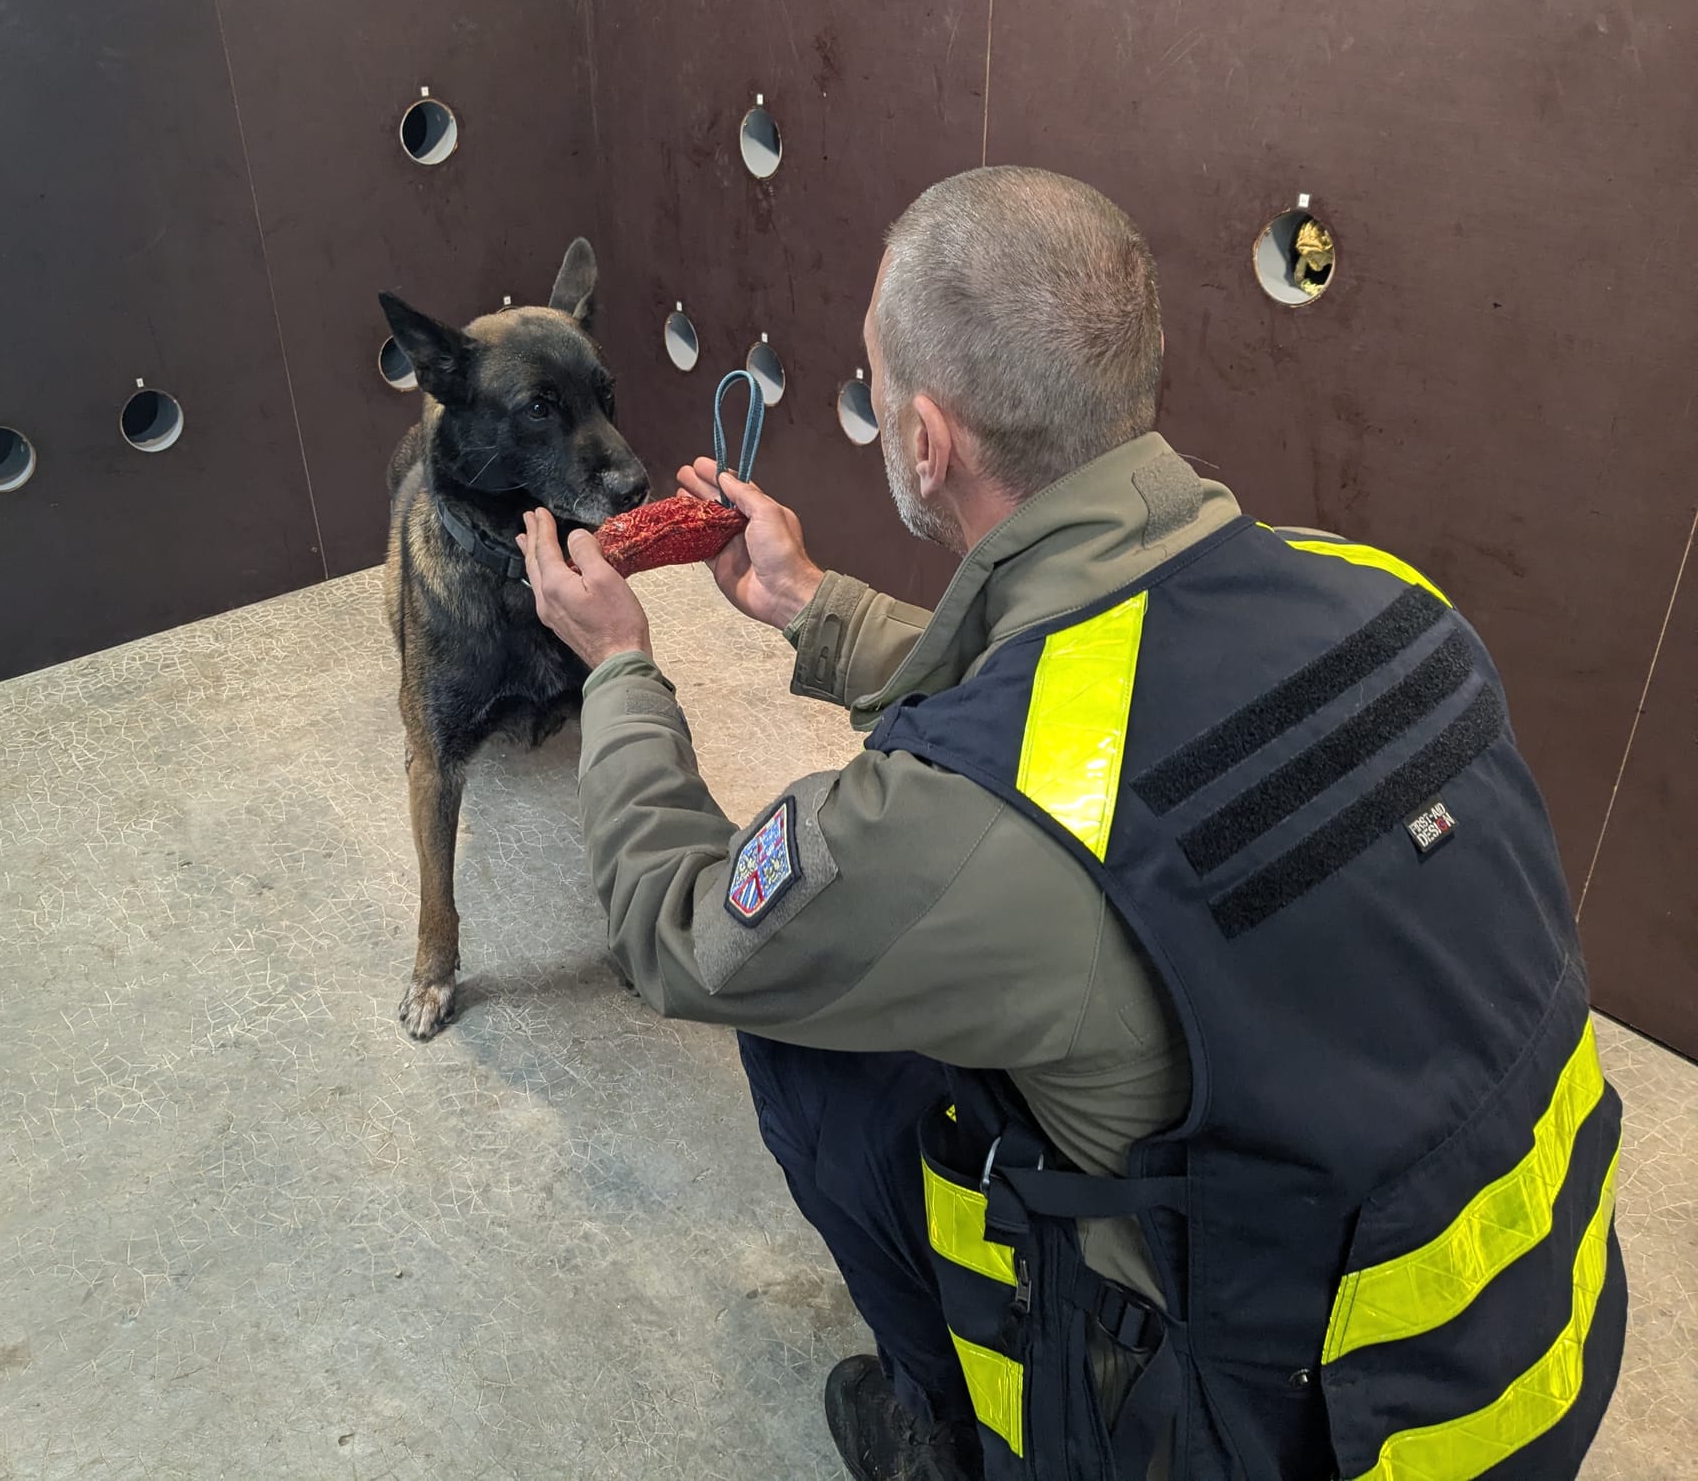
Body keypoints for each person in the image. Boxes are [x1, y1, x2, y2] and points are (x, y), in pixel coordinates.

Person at [513, 167, 1625, 1481]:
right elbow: (1105, 708)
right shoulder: (1370, 588)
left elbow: (682, 932)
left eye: (881, 389)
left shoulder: (963, 823)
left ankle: (949, 1436)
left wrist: (619, 667)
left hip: (1290, 1435)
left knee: (807, 1031)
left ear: (927, 442)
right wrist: (816, 605)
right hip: (1529, 1341)